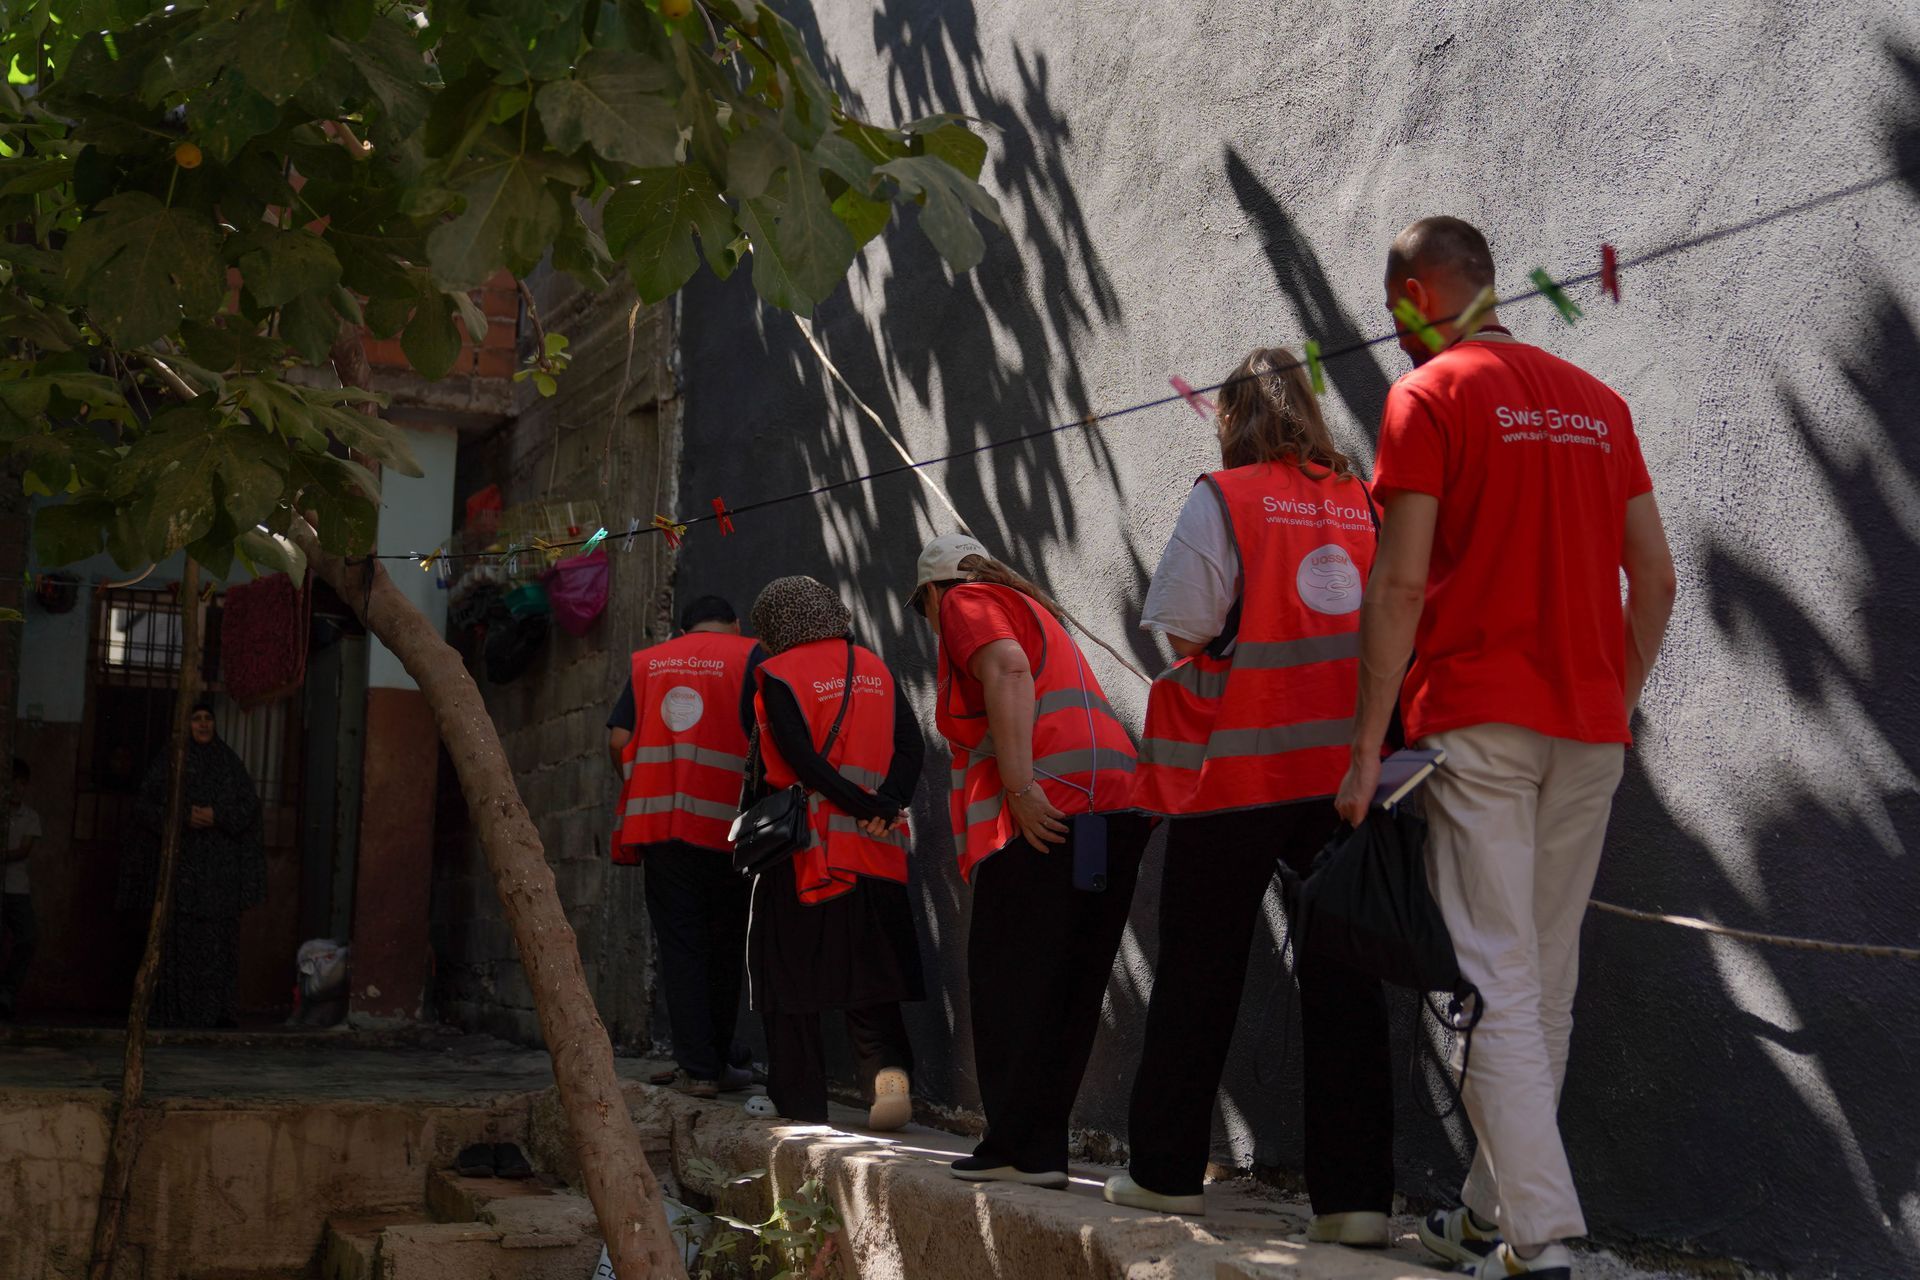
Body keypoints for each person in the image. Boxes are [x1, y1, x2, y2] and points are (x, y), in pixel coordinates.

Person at [1334, 217, 1677, 1280]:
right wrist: (1609, 700)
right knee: (1545, 978)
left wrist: (1361, 751)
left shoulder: (1429, 397)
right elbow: (1656, 580)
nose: (1394, 333)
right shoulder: (1596, 401)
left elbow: (1397, 584)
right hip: (1588, 726)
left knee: (1492, 980)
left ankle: (1549, 1242)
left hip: (1476, 720)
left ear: (1419, 292)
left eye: (1397, 308)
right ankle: (1491, 1214)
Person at [1106, 348, 1391, 1240]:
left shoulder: (1225, 498)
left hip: (1237, 773)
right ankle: (1354, 1206)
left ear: (1229, 419)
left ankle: (1166, 1174)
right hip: (1345, 778)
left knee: (1199, 971)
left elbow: (1184, 621)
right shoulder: (1365, 500)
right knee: (1348, 983)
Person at [911, 534, 1148, 1188]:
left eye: (921, 607)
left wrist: (1019, 786)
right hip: (1114, 810)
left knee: (1007, 981)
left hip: (1049, 808)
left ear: (932, 591)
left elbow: (1008, 670)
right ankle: (1040, 1149)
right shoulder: (1033, 606)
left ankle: (1017, 1146)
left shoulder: (967, 601)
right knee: (1070, 984)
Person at [743, 575, 925, 1131]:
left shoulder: (777, 674)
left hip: (806, 853)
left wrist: (852, 801)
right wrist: (884, 806)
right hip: (877, 847)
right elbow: (912, 746)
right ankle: (888, 1084)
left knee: (786, 976)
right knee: (872, 975)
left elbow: (801, 761)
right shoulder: (872, 666)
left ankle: (800, 1102)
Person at [608, 594, 758, 1098]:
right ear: (734, 623)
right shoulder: (750, 656)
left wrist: (638, 782)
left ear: (684, 627)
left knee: (682, 947)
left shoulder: (648, 663)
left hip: (659, 827)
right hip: (726, 828)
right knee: (724, 946)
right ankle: (717, 1061)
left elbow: (618, 738)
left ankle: (697, 1070)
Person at [118, 699, 267, 1029]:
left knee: (216, 943)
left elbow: (248, 807)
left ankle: (215, 1012)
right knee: (177, 941)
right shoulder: (170, 760)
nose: (203, 725)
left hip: (219, 877)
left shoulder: (228, 763)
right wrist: (183, 816)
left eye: (207, 719)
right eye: (196, 719)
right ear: (185, 725)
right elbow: (145, 806)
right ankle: (175, 1011)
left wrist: (218, 815)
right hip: (179, 874)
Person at [2, 758, 43, 1021]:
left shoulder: (30, 816)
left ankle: (7, 992)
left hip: (17, 888)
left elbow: (24, 850)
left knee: (28, 938)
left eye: (21, 783)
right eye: (12, 782)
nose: (17, 788)